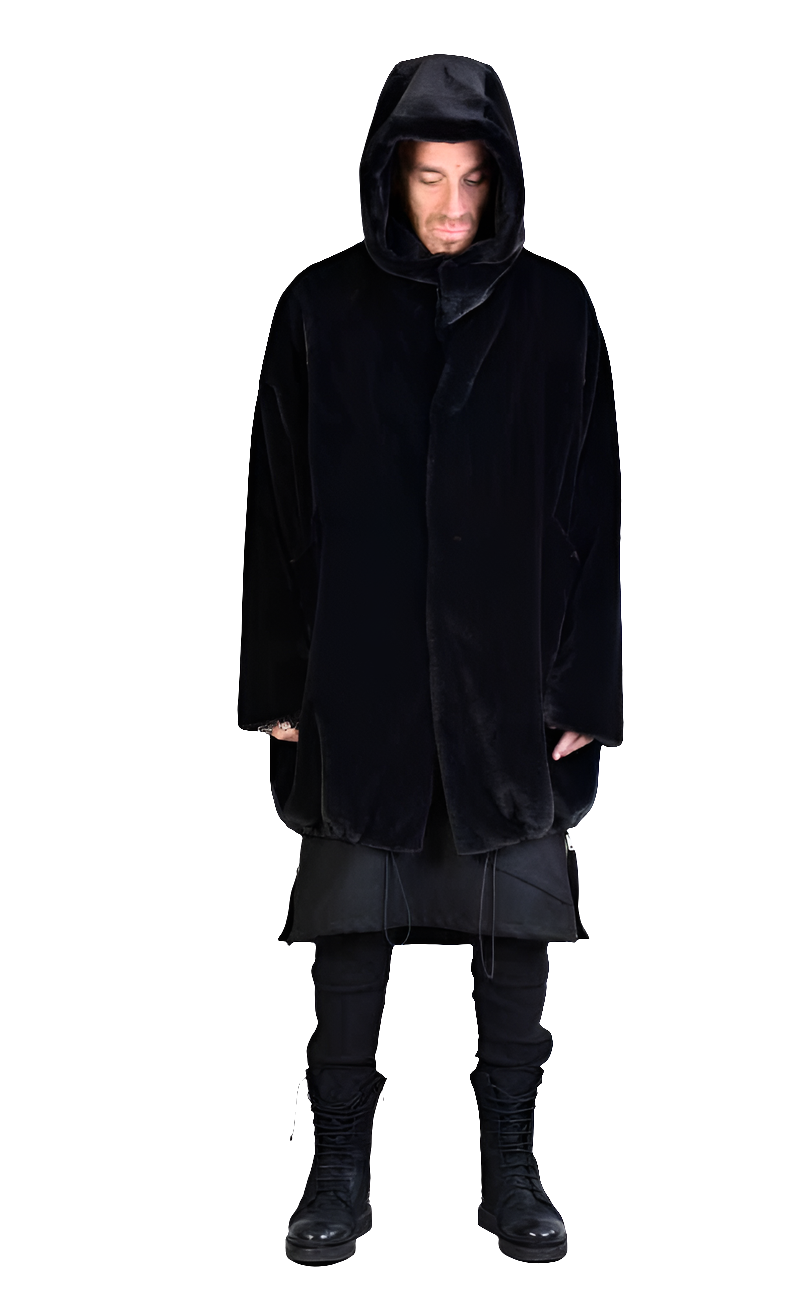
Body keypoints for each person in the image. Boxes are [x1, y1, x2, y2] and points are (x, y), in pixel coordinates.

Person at [238, 53, 622, 1266]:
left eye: (471, 180)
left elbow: (594, 508)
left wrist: (585, 684)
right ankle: (336, 1171)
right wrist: (276, 680)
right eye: (428, 178)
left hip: (512, 682)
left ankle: (511, 1167)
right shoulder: (319, 308)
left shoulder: (555, 310)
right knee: (350, 928)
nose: (451, 206)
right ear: (389, 177)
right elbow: (276, 506)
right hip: (359, 678)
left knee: (517, 932)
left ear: (500, 180)